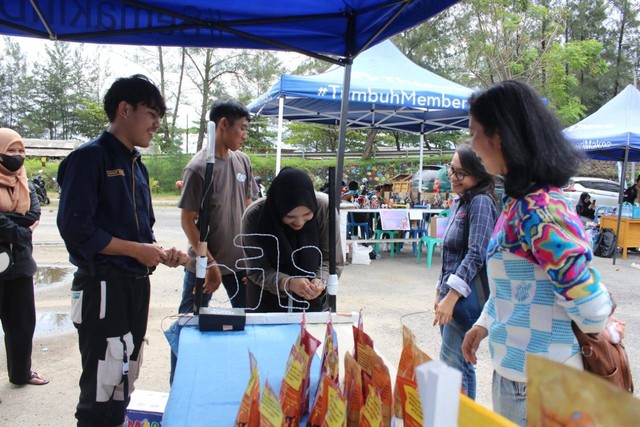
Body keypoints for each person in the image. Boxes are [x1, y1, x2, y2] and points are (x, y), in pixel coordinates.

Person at [461, 80, 612, 426]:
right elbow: (519, 282)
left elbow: (592, 312)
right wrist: (484, 324)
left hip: (541, 387)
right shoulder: (521, 203)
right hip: (523, 379)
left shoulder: (540, 211)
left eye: (475, 133)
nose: (472, 144)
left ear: (500, 136)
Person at [56, 74, 188, 427]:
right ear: (124, 109)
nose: (157, 123)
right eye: (152, 113)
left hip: (134, 286)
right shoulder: (89, 159)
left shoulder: (136, 165)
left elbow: (140, 233)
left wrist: (160, 253)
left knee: (125, 375)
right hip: (102, 287)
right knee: (102, 382)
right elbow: (76, 230)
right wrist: (135, 250)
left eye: (160, 114)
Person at [177, 99, 257, 314]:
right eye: (242, 128)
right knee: (189, 322)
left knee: (247, 321)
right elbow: (187, 221)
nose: (244, 135)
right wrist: (209, 263)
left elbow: (250, 208)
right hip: (204, 263)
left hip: (240, 264)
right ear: (223, 124)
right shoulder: (198, 168)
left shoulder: (243, 161)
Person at [432, 143, 497, 400]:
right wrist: (439, 289)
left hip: (464, 300)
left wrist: (451, 297)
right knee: (461, 364)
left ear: (479, 175)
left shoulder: (481, 202)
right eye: (452, 169)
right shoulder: (460, 201)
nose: (453, 177)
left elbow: (475, 254)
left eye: (461, 173)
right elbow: (450, 253)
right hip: (451, 296)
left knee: (451, 366)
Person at [241, 167, 343, 312]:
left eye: (307, 215)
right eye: (290, 217)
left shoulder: (324, 209)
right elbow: (256, 269)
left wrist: (320, 281)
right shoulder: (254, 216)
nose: (299, 222)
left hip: (312, 299)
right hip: (266, 297)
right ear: (278, 210)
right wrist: (288, 283)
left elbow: (332, 259)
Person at [0, 128, 49, 388]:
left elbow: (34, 214)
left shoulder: (25, 183)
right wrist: (19, 230)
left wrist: (12, 227)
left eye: (20, 151)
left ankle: (21, 373)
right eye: (11, 151)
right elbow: (22, 224)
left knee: (22, 324)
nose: (17, 156)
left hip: (19, 263)